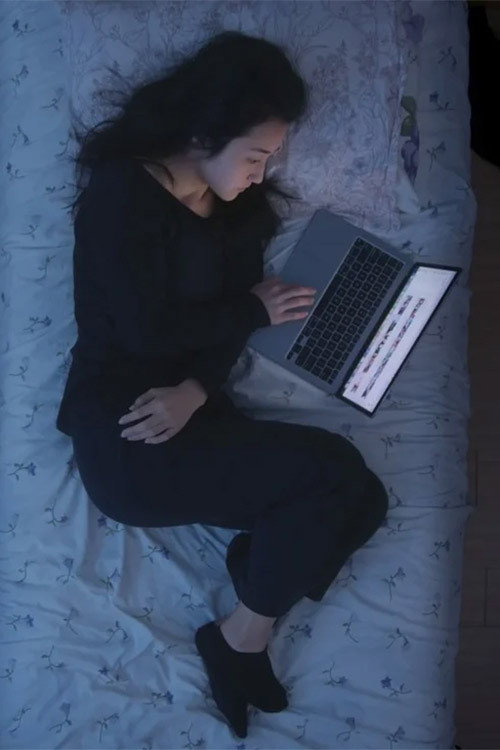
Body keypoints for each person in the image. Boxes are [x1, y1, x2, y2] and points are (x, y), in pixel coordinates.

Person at [56, 30, 389, 739]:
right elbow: (143, 331)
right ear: (205, 133)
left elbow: (226, 329)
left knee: (365, 497)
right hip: (128, 432)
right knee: (334, 476)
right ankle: (245, 631)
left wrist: (199, 390)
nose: (262, 176)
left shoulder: (235, 211)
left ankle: (245, 615)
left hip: (192, 409)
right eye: (255, 156)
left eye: (270, 159)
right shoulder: (121, 195)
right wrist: (249, 313)